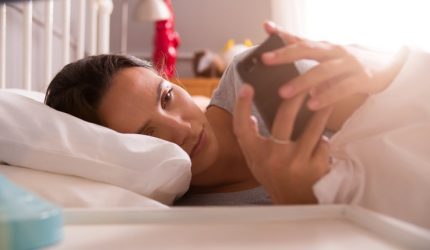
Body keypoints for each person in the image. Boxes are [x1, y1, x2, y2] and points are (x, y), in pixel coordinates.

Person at [45, 21, 410, 206]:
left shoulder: (256, 76)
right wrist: (304, 207)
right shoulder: (186, 216)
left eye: (167, 97)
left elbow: (402, 107)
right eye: (148, 135)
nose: (180, 128)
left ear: (171, 78)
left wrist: (380, 75)